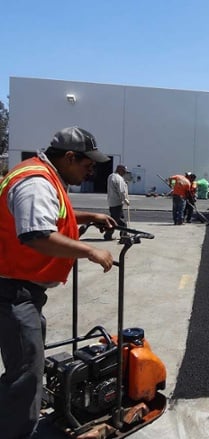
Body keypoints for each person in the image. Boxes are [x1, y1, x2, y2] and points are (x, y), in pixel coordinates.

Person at [0, 126, 116, 439]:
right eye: (87, 163)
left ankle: (18, 417)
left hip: (24, 291)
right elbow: (37, 234)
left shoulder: (43, 176)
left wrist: (88, 217)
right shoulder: (36, 181)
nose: (91, 169)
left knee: (28, 369)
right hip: (12, 291)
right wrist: (90, 250)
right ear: (68, 157)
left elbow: (51, 216)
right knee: (25, 374)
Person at [104, 164, 130, 240]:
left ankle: (119, 234)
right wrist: (125, 200)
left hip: (111, 202)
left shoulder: (111, 176)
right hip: (117, 202)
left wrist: (124, 183)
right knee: (116, 221)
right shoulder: (119, 178)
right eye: (124, 171)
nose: (125, 173)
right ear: (120, 170)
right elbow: (121, 191)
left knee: (117, 218)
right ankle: (122, 235)